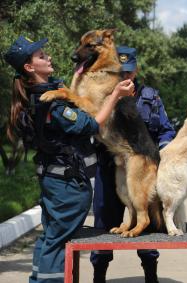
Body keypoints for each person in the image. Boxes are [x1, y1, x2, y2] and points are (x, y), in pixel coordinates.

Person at [4, 36, 134, 283]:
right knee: (58, 243)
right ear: (30, 68)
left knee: (50, 238)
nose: (48, 56)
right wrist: (116, 94)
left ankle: (38, 280)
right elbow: (91, 124)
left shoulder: (41, 95)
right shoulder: (51, 104)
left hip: (55, 181)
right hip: (67, 186)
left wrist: (76, 78)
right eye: (41, 56)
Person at [90, 45, 176, 283]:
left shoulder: (151, 97)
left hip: (143, 170)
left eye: (128, 72)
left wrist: (162, 155)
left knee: (145, 226)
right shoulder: (103, 97)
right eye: (120, 72)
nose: (125, 77)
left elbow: (166, 131)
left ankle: (151, 275)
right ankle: (99, 275)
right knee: (103, 226)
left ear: (136, 70)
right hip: (109, 169)